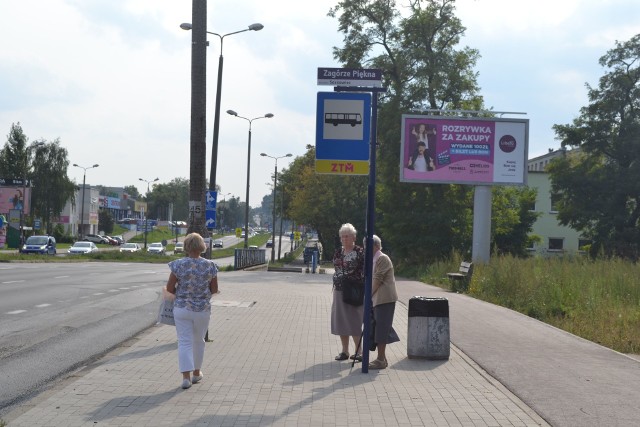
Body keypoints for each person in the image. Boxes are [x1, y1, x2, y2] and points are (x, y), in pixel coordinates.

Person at [166, 232, 219, 389]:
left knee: (184, 342)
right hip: (202, 309)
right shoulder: (210, 266)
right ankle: (197, 373)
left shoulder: (178, 264)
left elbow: (170, 288)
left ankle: (186, 378)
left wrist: (182, 295)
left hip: (182, 308)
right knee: (199, 341)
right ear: (202, 246)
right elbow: (214, 289)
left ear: (186, 247)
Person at [332, 223, 365, 362]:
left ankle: (360, 352)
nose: (344, 239)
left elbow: (365, 271)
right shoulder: (338, 252)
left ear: (354, 237)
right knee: (340, 320)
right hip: (339, 290)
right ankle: (345, 351)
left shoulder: (360, 252)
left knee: (354, 320)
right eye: (342, 236)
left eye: (347, 236)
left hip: (354, 291)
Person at [369, 234, 399, 370]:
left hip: (384, 299)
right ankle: (382, 358)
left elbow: (378, 279)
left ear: (375, 246)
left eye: (367, 245)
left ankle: (381, 359)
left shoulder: (382, 258)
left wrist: (368, 295)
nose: (365, 248)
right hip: (378, 299)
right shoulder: (374, 259)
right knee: (379, 328)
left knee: (382, 328)